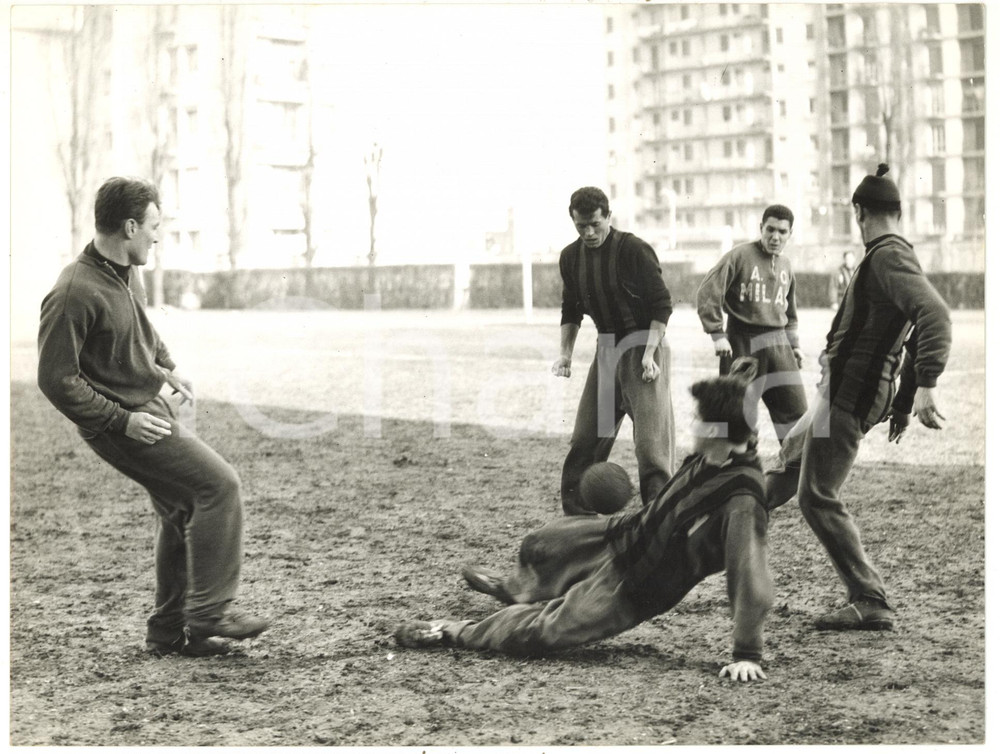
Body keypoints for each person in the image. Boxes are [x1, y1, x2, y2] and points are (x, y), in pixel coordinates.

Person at [394, 359, 773, 683]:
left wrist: (747, 653)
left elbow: (750, 576)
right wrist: (737, 380)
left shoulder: (742, 499)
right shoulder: (723, 445)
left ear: (719, 432)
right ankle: (514, 589)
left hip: (635, 583)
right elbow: (737, 413)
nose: (692, 425)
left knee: (543, 631)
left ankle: (452, 631)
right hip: (622, 533)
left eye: (699, 420)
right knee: (545, 544)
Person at [37, 176, 269, 657]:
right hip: (121, 423)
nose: (157, 236)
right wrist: (123, 421)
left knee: (181, 510)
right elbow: (56, 379)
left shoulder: (124, 271)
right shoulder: (73, 292)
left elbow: (139, 324)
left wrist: (166, 365)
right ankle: (209, 613)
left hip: (148, 406)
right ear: (128, 227)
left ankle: (169, 633)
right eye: (154, 226)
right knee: (219, 486)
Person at [764, 164, 951, 631]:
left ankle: (871, 598)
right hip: (842, 391)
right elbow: (906, 333)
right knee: (787, 463)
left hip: (851, 395)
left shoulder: (888, 256)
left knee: (816, 495)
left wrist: (924, 385)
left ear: (859, 212)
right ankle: (723, 535)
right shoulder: (889, 254)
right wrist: (903, 402)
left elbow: (935, 317)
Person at [552, 187, 675, 515]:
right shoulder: (570, 257)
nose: (589, 233)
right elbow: (570, 309)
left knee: (651, 451)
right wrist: (565, 353)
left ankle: (660, 524)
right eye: (581, 226)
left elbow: (662, 305)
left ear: (608, 216)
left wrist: (649, 354)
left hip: (642, 349)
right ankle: (577, 523)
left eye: (595, 224)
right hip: (606, 351)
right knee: (585, 441)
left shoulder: (633, 249)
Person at [695, 204, 808, 445]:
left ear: (790, 234)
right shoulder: (739, 255)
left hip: (778, 345)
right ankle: (739, 475)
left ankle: (794, 477)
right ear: (761, 228)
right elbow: (708, 292)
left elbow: (790, 311)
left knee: (797, 416)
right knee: (737, 418)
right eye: (770, 230)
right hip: (742, 341)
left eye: (782, 232)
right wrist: (717, 333)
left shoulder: (786, 265)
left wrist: (794, 346)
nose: (775, 237)